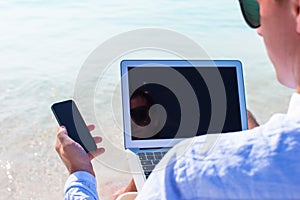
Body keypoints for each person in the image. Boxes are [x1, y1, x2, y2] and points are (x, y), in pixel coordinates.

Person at [55, 0, 300, 199]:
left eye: (255, 8)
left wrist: (80, 173)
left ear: (296, 10)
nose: (258, 28)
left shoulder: (186, 174)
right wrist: (251, 135)